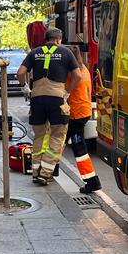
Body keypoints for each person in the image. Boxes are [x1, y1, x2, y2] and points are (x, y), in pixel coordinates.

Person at [17, 27, 78, 185]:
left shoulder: (34, 52)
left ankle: (36, 172)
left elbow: (21, 72)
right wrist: (68, 92)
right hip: (56, 97)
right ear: (59, 39)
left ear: (46, 39)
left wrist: (24, 87)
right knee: (57, 135)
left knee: (39, 135)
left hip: (37, 98)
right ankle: (45, 173)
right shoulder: (65, 52)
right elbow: (77, 75)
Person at [66, 46, 101, 193]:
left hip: (76, 113)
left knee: (79, 148)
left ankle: (92, 181)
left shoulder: (73, 73)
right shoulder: (84, 68)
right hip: (83, 111)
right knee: (60, 142)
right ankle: (48, 171)